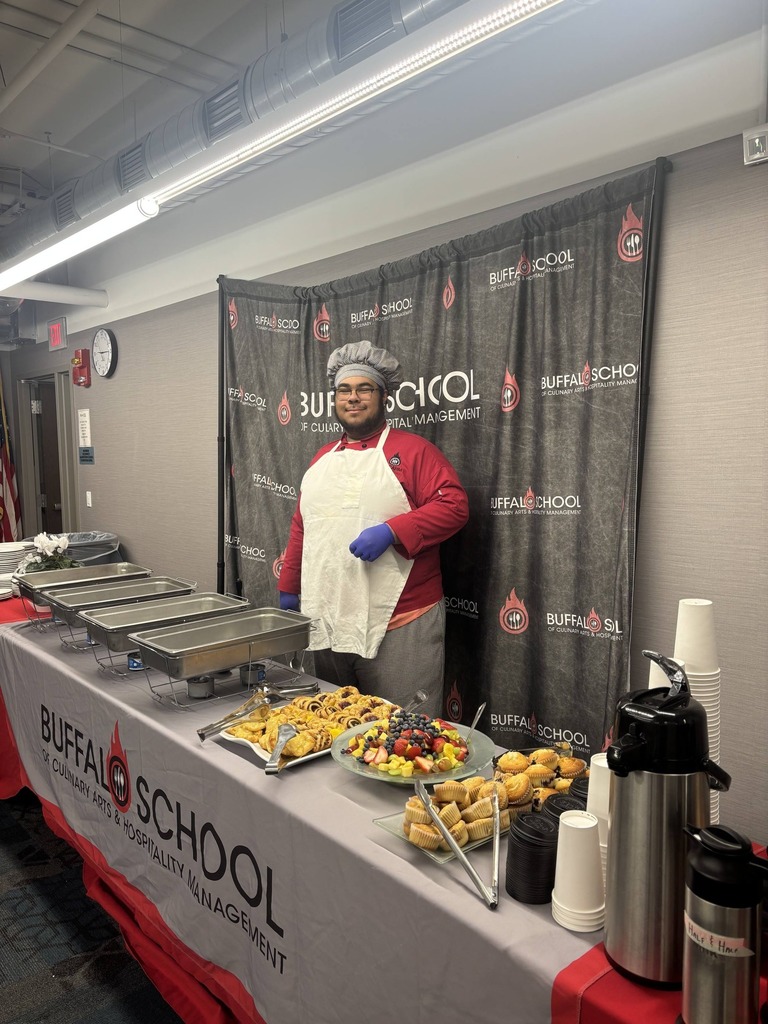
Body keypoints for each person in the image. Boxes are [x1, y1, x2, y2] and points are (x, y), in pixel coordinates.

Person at [277, 340, 469, 717]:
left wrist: (394, 531)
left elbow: (454, 506)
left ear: (384, 397)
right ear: (334, 399)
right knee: (338, 723)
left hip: (401, 622)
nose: (353, 398)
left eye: (364, 389)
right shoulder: (321, 459)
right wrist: (289, 585)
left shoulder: (414, 451)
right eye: (344, 390)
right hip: (332, 615)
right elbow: (304, 526)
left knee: (405, 731)